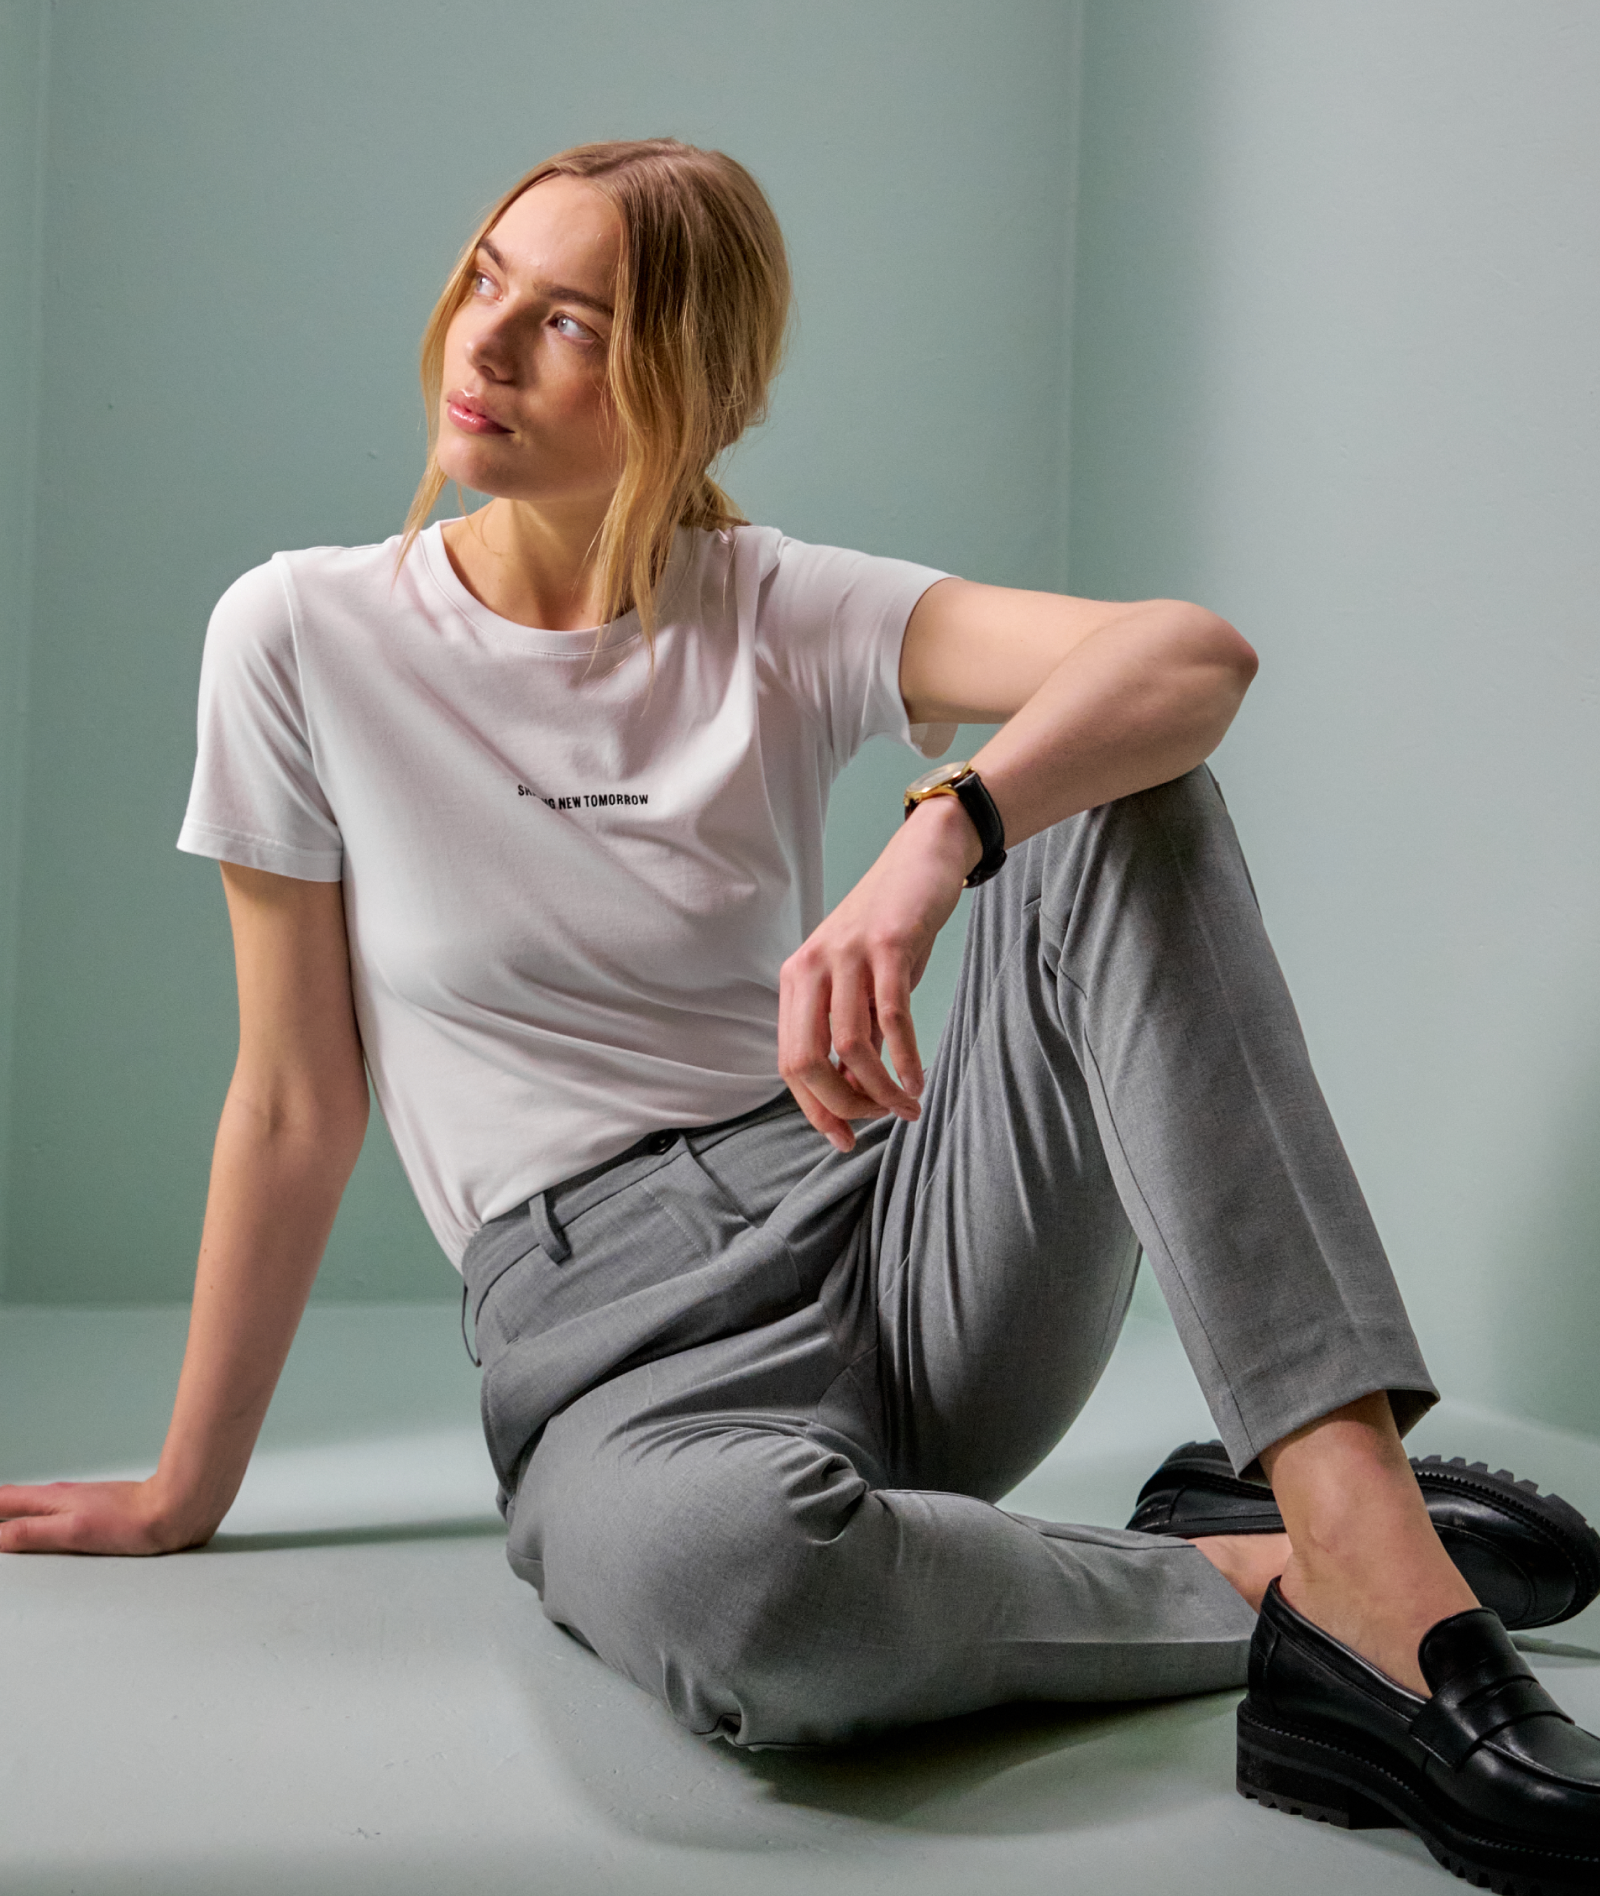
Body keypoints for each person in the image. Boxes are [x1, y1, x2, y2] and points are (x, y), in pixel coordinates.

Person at [2, 139, 1597, 1888]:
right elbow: (296, 1099)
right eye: (486, 281)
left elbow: (1192, 656)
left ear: (693, 387)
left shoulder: (775, 604)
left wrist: (941, 837)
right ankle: (1287, 1570)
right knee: (745, 1593)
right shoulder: (298, 635)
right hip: (613, 1353)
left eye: (572, 322)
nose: (487, 343)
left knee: (1119, 788)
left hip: (898, 1235)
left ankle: (1366, 1541)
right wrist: (185, 1488)